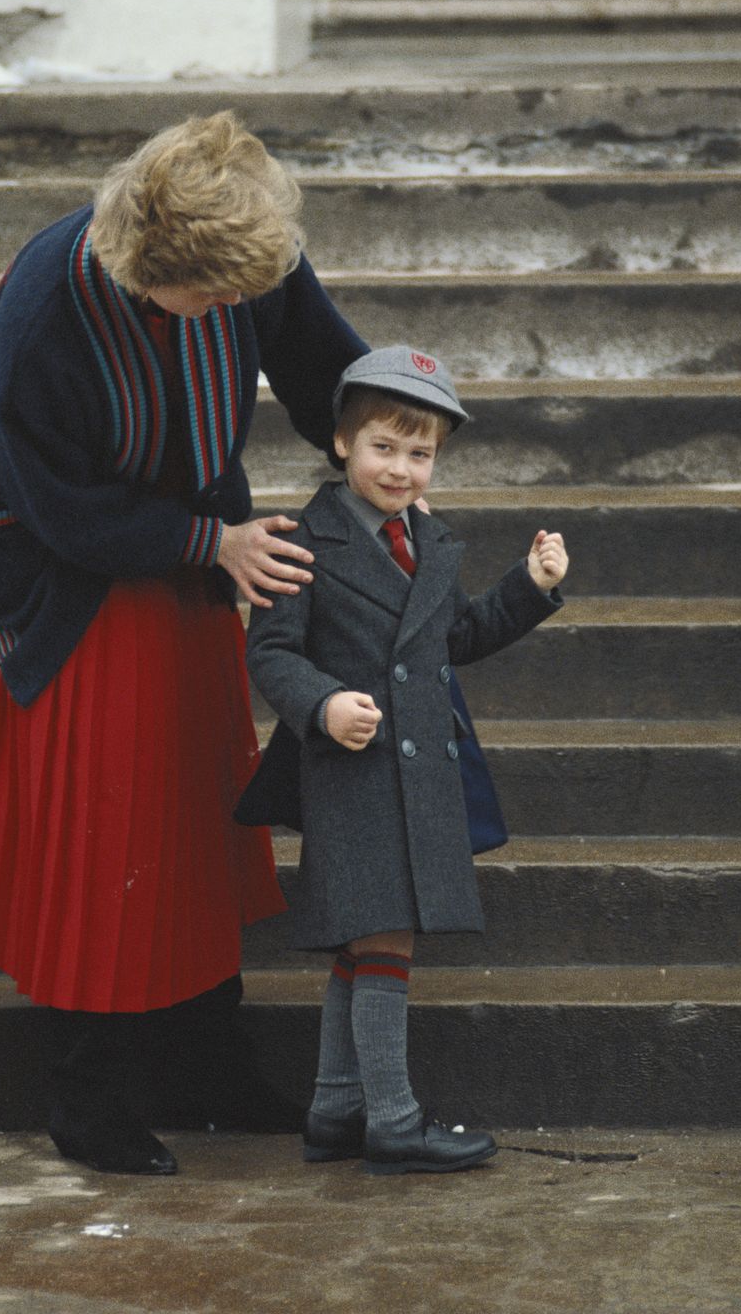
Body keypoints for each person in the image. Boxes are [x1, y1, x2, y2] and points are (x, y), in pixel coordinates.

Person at [0, 110, 370, 1175]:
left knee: (196, 816)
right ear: (149, 267)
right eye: (213, 298)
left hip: (187, 556)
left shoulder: (243, 254)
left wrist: (385, 434)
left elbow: (322, 363)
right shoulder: (46, 311)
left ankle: (202, 1071)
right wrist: (207, 541)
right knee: (106, 838)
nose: (234, 309)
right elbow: (53, 504)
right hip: (68, 578)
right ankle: (86, 1096)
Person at [237, 346, 569, 1175]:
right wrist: (322, 704)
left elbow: (454, 639)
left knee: (369, 941)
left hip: (419, 777)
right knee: (385, 938)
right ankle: (394, 1118)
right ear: (343, 443)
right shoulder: (303, 540)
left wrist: (527, 586)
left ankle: (334, 1109)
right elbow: (271, 653)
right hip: (352, 771)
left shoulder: (428, 541)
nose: (402, 468)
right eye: (385, 446)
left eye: (421, 453)